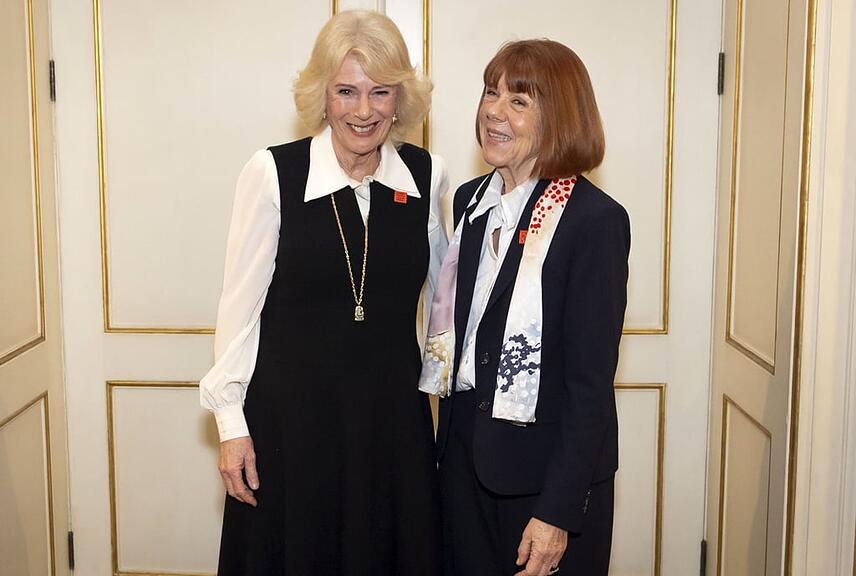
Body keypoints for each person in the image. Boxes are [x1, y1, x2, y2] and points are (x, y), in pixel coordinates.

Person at [200, 11, 447, 575]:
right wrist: (232, 429)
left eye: (380, 92)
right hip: (291, 424)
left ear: (400, 98)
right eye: (346, 91)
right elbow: (238, 312)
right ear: (323, 95)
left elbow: (442, 307)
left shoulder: (426, 175)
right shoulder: (272, 174)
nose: (363, 111)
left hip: (391, 426)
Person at [419, 39, 629, 576]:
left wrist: (557, 511)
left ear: (559, 116)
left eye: (518, 101)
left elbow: (589, 385)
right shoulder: (470, 201)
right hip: (464, 462)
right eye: (491, 93)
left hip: (545, 482)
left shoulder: (593, 221)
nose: (494, 111)